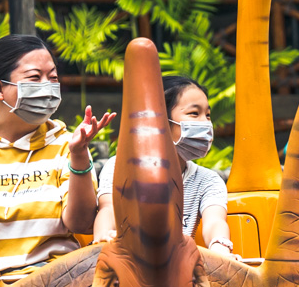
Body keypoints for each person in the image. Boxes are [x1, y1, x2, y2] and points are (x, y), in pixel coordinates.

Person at [0, 34, 114, 280]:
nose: (47, 87)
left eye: (53, 78)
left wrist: (78, 155)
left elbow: (81, 224)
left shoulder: (65, 144)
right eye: (34, 78)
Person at [93, 75, 235, 258]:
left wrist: (219, 246)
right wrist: (103, 239)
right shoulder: (120, 167)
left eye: (207, 115)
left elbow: (215, 222)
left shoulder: (207, 181)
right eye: (194, 113)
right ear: (160, 120)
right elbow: (109, 209)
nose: (206, 123)